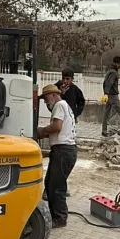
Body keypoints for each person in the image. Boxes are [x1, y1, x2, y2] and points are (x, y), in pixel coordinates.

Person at [37, 83, 77, 228]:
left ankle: (60, 218)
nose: (46, 102)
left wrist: (42, 131)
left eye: (46, 98)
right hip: (65, 151)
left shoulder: (59, 105)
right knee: (50, 184)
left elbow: (57, 127)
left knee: (57, 186)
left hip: (63, 151)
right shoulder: (65, 106)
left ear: (54, 95)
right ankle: (55, 214)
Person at [54, 69, 85, 198]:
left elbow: (82, 102)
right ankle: (58, 186)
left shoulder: (76, 90)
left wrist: (75, 114)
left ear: (72, 79)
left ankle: (62, 185)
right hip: (59, 121)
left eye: (68, 79)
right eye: (64, 78)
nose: (65, 81)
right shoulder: (57, 87)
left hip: (70, 122)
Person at [101, 56, 120, 136]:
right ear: (115, 63)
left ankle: (104, 131)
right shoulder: (114, 73)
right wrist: (106, 93)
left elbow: (105, 83)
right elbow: (109, 83)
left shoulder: (109, 71)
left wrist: (105, 94)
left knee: (106, 113)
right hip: (113, 96)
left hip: (108, 95)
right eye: (119, 64)